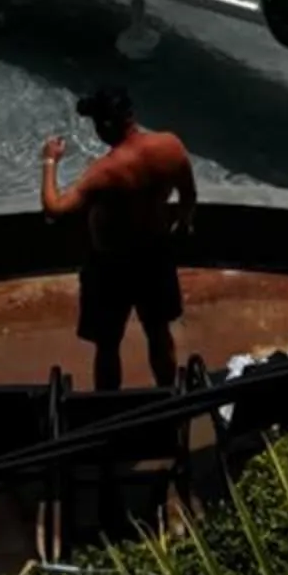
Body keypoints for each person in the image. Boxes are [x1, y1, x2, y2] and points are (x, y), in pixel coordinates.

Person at [40, 85, 195, 391]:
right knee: (159, 331)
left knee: (108, 345)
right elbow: (189, 194)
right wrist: (183, 225)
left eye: (97, 124)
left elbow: (55, 208)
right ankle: (170, 397)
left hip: (111, 266)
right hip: (155, 254)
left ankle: (109, 410)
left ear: (106, 124)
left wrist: (49, 162)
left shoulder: (106, 172)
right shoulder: (171, 146)